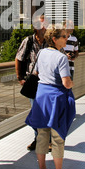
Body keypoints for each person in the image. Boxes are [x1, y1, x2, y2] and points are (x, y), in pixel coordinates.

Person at [25, 26, 75, 169]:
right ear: (55, 39)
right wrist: (72, 82)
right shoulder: (62, 58)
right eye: (64, 36)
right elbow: (66, 83)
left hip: (41, 97)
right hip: (56, 99)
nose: (66, 39)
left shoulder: (41, 53)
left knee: (41, 135)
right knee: (57, 138)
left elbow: (37, 73)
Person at [15, 15, 48, 150]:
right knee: (35, 112)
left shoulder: (50, 42)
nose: (44, 26)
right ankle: (38, 139)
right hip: (33, 82)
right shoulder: (28, 41)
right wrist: (20, 77)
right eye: (42, 24)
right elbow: (18, 58)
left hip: (47, 82)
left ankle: (44, 140)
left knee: (46, 112)